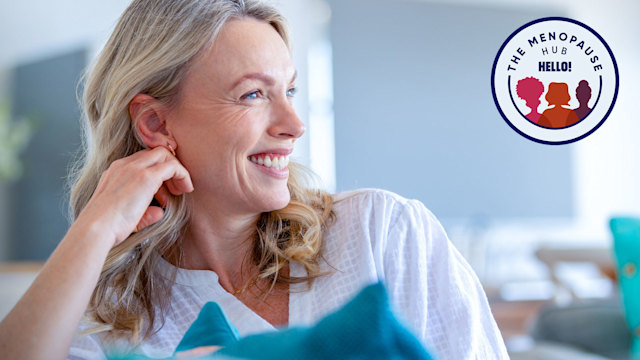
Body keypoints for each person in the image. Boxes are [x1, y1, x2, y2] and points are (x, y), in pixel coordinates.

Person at [0, 1, 508, 359]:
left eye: (289, 89)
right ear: (155, 124)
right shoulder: (122, 319)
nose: (294, 124)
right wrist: (95, 227)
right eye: (252, 95)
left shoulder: (385, 233)